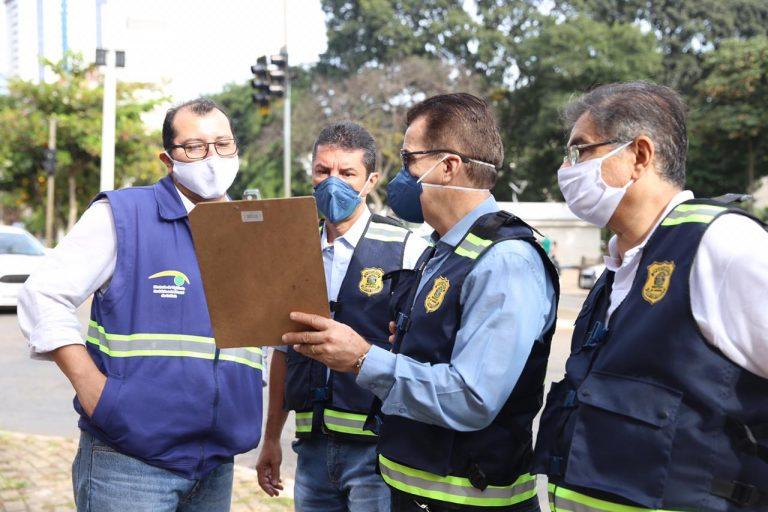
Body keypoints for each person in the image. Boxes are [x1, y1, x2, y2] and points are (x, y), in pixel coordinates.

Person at [282, 93, 559, 511]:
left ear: (447, 166)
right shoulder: (442, 252)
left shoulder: (505, 260)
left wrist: (362, 359)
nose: (403, 175)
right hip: (415, 494)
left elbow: (472, 398)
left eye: (410, 159)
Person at [18, 98, 264, 512]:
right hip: (129, 462)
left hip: (216, 463)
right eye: (195, 146)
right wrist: (96, 392)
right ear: (168, 159)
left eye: (222, 144)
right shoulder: (122, 215)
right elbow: (42, 294)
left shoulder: (251, 229)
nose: (211, 157)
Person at [533, 81, 768, 511]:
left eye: (580, 151)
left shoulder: (723, 245)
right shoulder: (619, 269)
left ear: (639, 156)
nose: (567, 169)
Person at [256, 121, 428, 511]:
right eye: (323, 171)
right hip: (312, 450)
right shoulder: (293, 251)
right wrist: (270, 440)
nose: (333, 183)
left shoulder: (406, 249)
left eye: (347, 173)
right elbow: (282, 351)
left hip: (377, 455)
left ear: (370, 181)